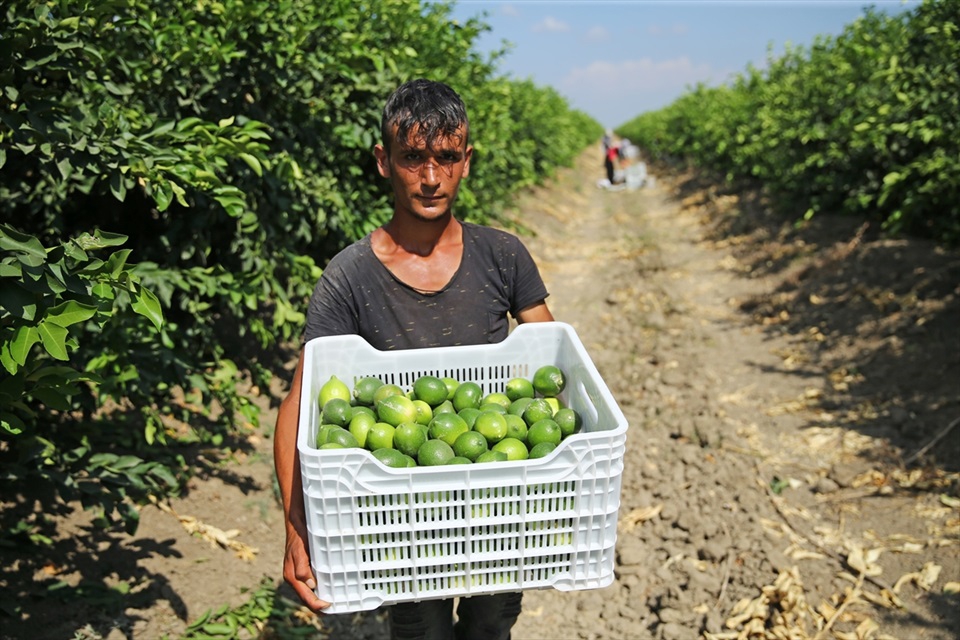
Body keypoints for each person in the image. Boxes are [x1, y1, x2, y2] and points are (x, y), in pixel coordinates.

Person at [273, 78, 555, 640]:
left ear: (467, 161)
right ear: (384, 160)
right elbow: (300, 401)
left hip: (496, 505)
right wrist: (296, 528)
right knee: (419, 626)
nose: (431, 178)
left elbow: (553, 366)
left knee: (492, 620)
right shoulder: (349, 276)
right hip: (401, 513)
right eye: (413, 158)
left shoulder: (503, 256)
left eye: (447, 159)